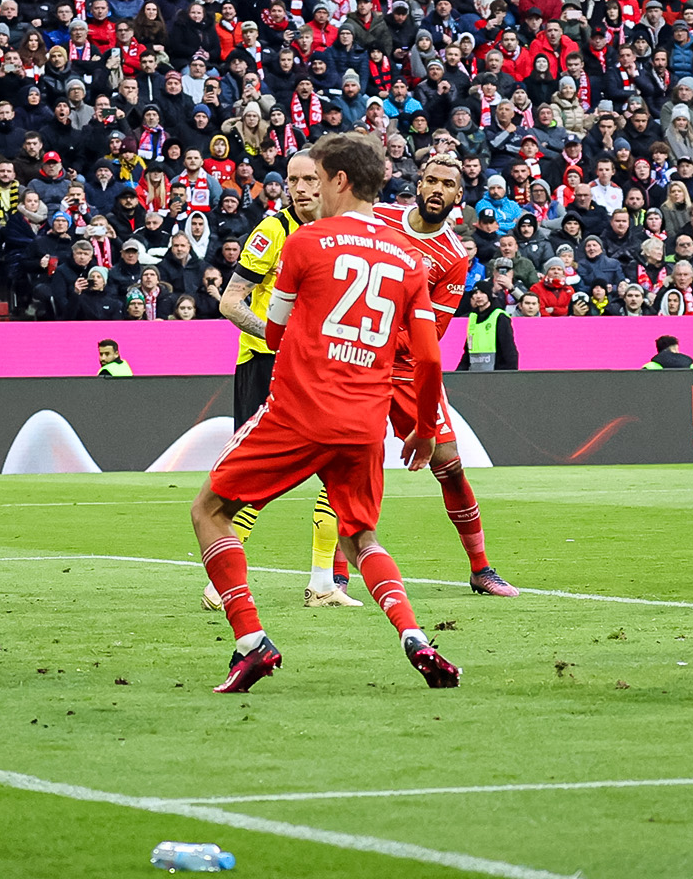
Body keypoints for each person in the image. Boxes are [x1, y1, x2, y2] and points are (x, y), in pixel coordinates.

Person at [190, 133, 460, 693]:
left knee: (210, 509)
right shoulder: (411, 260)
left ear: (339, 179)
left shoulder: (306, 242)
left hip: (300, 411)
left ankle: (250, 643)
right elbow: (431, 354)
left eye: (315, 176)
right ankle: (415, 637)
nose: (305, 188)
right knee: (361, 537)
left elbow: (277, 331)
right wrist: (424, 428)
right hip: (366, 420)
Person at [206, 152, 357, 609]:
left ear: (329, 181)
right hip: (267, 365)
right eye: (294, 180)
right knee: (261, 477)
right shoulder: (273, 230)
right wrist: (280, 336)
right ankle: (220, 583)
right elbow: (231, 303)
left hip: (319, 365)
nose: (302, 188)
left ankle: (322, 583)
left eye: (311, 179)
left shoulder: (339, 230)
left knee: (339, 467)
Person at [372, 154, 517, 596]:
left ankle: (480, 568)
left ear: (459, 195)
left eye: (447, 184)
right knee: (351, 463)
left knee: (451, 467)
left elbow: (430, 332)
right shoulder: (377, 219)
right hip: (352, 358)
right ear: (418, 184)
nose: (437, 189)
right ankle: (332, 576)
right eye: (430, 180)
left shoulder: (453, 256)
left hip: (403, 370)